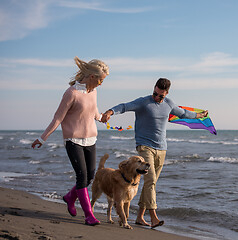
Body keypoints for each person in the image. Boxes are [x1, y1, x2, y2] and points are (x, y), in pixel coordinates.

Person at [101, 78, 208, 228]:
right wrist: (110, 111)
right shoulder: (144, 102)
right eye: (155, 94)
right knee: (150, 181)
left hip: (162, 148)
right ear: (154, 89)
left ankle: (139, 217)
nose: (157, 97)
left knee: (150, 183)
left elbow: (183, 113)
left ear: (166, 93)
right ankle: (154, 217)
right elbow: (125, 106)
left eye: (161, 96)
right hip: (145, 147)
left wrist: (199, 115)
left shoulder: (169, 103)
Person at [31, 56, 109, 226]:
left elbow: (95, 113)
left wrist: (103, 117)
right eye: (101, 80)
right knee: (82, 176)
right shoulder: (71, 93)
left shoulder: (93, 92)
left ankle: (69, 197)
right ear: (92, 77)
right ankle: (89, 215)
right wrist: (42, 138)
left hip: (91, 140)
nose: (101, 84)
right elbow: (58, 118)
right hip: (73, 140)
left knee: (90, 177)